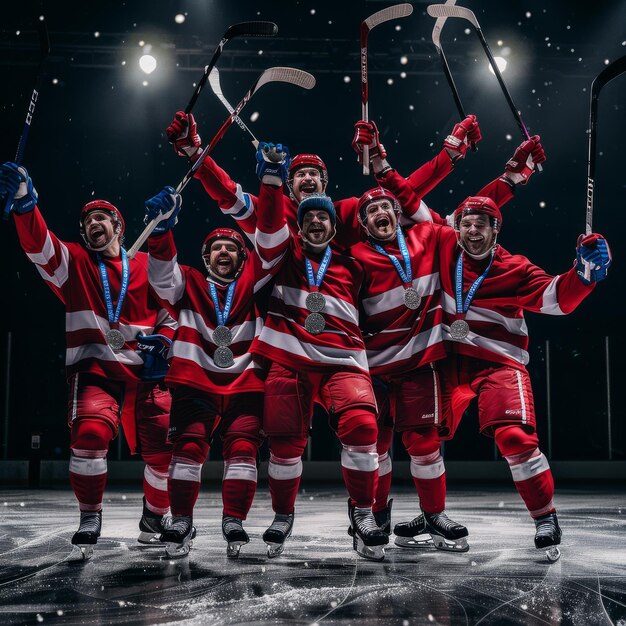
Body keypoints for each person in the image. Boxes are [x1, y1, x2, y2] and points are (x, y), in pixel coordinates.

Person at [381, 176, 611, 561]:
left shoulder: (514, 268)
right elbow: (409, 203)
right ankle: (432, 514)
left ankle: (545, 517)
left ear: (495, 230)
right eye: (467, 223)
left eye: (482, 224)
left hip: (497, 363)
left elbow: (558, 298)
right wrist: (387, 167)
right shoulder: (442, 243)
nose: (473, 230)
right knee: (420, 438)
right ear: (457, 225)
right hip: (446, 361)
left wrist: (584, 274)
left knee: (515, 438)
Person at [349, 125, 546, 552]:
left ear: (397, 211)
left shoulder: (433, 235)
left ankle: (434, 515)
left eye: (389, 205)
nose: (383, 211)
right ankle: (373, 520)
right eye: (372, 210)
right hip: (375, 368)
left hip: (422, 362)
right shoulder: (354, 256)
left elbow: (475, 213)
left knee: (423, 442)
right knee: (377, 446)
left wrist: (512, 177)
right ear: (362, 223)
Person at [1, 161, 176, 559]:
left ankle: (155, 516)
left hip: (146, 375)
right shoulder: (75, 263)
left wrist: (164, 342)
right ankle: (90, 515)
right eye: (87, 221)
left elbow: (172, 313)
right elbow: (39, 247)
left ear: (119, 227)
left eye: (101, 217)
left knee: (165, 451)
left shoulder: (148, 267)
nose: (93, 223)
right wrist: (26, 203)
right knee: (91, 436)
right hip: (95, 371)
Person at [142, 144, 290, 558]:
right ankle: (183, 520)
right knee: (188, 452)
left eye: (231, 248)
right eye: (215, 249)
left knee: (242, 453)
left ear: (243, 258)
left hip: (245, 382)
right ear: (205, 257)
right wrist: (160, 231)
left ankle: (234, 520)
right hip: (195, 381)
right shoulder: (187, 280)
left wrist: (272, 184)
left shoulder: (255, 283)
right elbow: (162, 278)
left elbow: (272, 239)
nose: (224, 252)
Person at [244, 174, 387, 560]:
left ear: (334, 226)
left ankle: (362, 513)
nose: (316, 222)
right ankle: (282, 514)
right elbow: (270, 226)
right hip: (289, 358)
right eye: (308, 218)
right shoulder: (280, 256)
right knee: (285, 443)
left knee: (363, 427)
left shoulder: (355, 267)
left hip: (343, 360)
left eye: (323, 217)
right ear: (300, 225)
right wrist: (272, 181)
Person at [164, 111, 482, 248]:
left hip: (347, 329)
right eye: (299, 174)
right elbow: (227, 194)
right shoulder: (275, 213)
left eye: (313, 174)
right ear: (288, 185)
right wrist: (194, 152)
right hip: (286, 331)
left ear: (324, 185)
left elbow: (403, 196)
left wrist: (449, 156)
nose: (306, 179)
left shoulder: (345, 212)